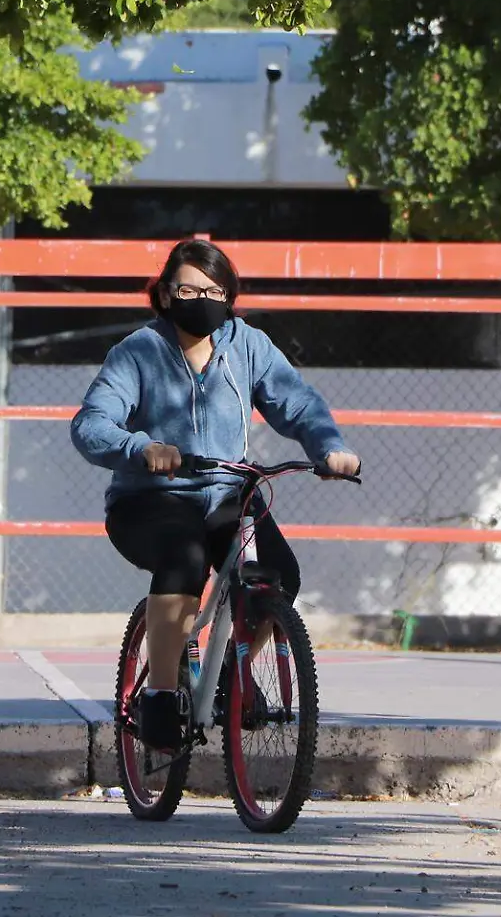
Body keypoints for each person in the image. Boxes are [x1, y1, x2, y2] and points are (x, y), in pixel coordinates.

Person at [70, 238, 360, 751]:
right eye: (187, 288)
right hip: (151, 499)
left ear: (229, 296)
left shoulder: (248, 345)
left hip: (229, 493)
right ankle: (160, 696)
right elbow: (91, 424)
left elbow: (296, 403)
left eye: (213, 289)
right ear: (164, 294)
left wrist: (330, 448)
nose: (201, 298)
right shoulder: (138, 351)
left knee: (279, 574)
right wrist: (141, 448)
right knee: (184, 560)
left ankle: (236, 674)